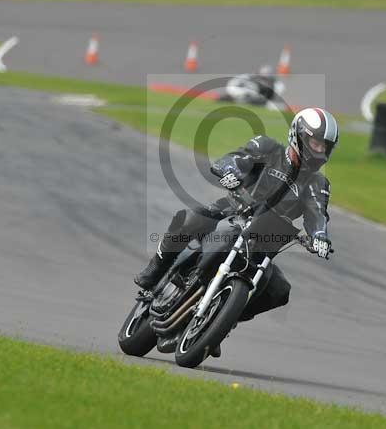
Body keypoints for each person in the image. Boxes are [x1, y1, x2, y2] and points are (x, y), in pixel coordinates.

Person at [135, 108, 339, 353]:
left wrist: (319, 237)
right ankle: (155, 270)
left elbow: (317, 214)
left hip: (264, 242)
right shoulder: (267, 148)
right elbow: (235, 159)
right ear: (299, 135)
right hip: (232, 211)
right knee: (190, 220)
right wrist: (230, 172)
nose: (319, 150)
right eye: (315, 143)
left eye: (324, 146)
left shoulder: (317, 184)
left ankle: (219, 321)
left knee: (279, 290)